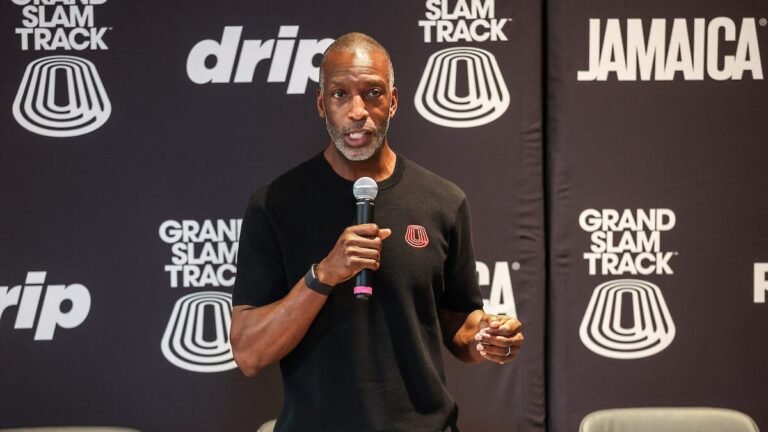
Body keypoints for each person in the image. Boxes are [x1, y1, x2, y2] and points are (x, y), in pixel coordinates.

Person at [230, 32, 524, 432]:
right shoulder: (275, 204)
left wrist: (485, 336)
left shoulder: (443, 200)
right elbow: (249, 353)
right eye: (340, 94)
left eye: (373, 93)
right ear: (321, 104)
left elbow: (459, 321)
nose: (358, 111)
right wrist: (324, 275)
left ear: (393, 102)